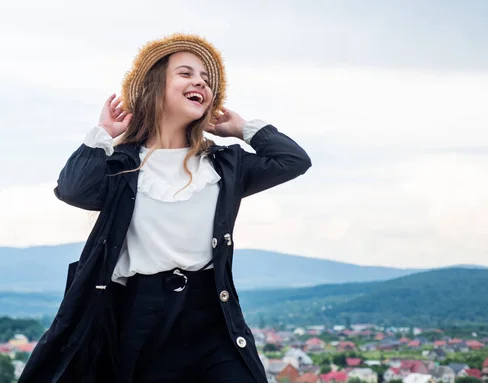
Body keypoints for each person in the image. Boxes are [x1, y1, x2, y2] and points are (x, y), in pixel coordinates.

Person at [18, 33, 312, 383]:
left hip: (211, 316)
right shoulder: (122, 165)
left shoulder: (224, 166)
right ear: (156, 86)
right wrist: (102, 134)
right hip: (140, 319)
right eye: (186, 74)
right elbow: (72, 189)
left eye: (206, 80)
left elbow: (293, 160)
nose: (200, 82)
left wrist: (243, 129)